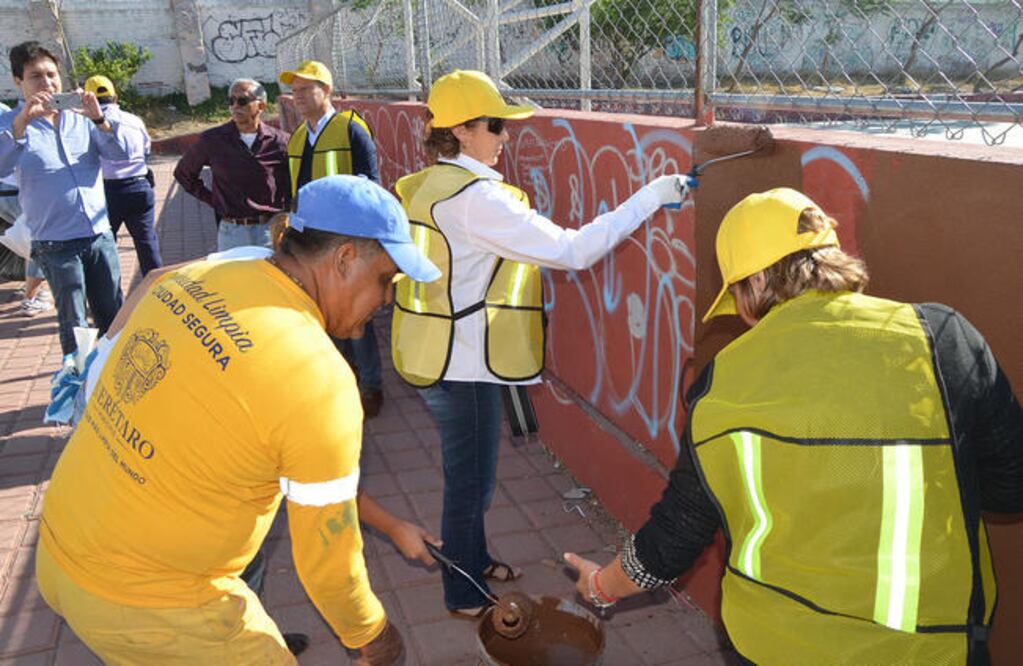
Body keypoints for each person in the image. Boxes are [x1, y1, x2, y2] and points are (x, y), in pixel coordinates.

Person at [564, 188, 1023, 665]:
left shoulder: (722, 383)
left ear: (757, 280)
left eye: (737, 295)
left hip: (771, 646)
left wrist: (601, 586)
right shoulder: (942, 338)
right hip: (931, 648)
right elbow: (1010, 489)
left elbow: (675, 537)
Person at [37, 175, 441, 664]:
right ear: (344, 260)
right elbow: (328, 567)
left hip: (61, 550)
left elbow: (301, 468)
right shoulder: (318, 377)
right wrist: (372, 634)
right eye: (385, 279)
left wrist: (392, 524)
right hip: (154, 604)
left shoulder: (195, 281)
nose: (385, 299)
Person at [390, 69, 689, 617]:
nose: (506, 137)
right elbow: (574, 251)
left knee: (472, 475)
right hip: (464, 361)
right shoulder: (478, 199)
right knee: (469, 483)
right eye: (496, 125)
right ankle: (462, 592)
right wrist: (651, 195)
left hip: (442, 349)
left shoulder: (428, 182)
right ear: (460, 131)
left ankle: (472, 559)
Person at [0, 41, 129, 363]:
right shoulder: (10, 123)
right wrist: (20, 126)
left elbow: (120, 156)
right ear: (18, 81)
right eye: (35, 77)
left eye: (51, 75)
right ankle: (77, 390)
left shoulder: (81, 117)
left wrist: (100, 120)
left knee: (113, 315)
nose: (47, 84)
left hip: (99, 235)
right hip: (55, 244)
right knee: (73, 324)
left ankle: (113, 379)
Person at [279, 60, 385, 418]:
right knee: (326, 313)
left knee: (355, 316)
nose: (297, 97)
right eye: (293, 91)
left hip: (348, 243)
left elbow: (371, 184)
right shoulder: (296, 138)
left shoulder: (351, 129)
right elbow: (293, 191)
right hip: (312, 244)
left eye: (304, 89)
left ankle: (371, 387)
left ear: (325, 90)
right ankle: (343, 381)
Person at [173, 78, 290, 251]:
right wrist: (214, 200)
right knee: (232, 278)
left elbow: (293, 181)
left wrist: (285, 213)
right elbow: (184, 173)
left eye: (242, 101)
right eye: (231, 101)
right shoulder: (212, 140)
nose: (235, 106)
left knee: (274, 278)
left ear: (262, 106)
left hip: (271, 230)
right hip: (232, 233)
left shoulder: (281, 141)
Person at [86, 75, 163, 276]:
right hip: (140, 185)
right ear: (115, 97)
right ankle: (156, 289)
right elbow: (147, 150)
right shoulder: (134, 120)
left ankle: (110, 300)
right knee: (147, 243)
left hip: (109, 191)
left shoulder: (87, 124)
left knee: (105, 246)